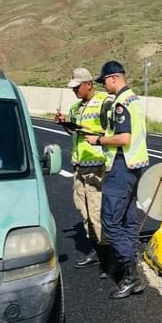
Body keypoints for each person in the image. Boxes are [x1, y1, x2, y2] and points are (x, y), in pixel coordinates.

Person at [85, 61, 149, 300]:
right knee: (129, 219)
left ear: (113, 78)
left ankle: (132, 276)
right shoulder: (134, 100)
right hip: (135, 167)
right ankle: (127, 267)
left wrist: (99, 141)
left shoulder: (121, 103)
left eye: (105, 82)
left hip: (121, 167)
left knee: (111, 222)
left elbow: (123, 137)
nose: (105, 86)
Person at [55, 68, 115, 278]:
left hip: (97, 166)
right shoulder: (75, 107)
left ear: (89, 84)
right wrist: (65, 124)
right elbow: (73, 131)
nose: (75, 92)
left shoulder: (105, 102)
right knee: (84, 211)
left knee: (97, 212)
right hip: (79, 165)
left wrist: (89, 132)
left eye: (77, 87)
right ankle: (96, 251)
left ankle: (109, 260)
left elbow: (114, 132)